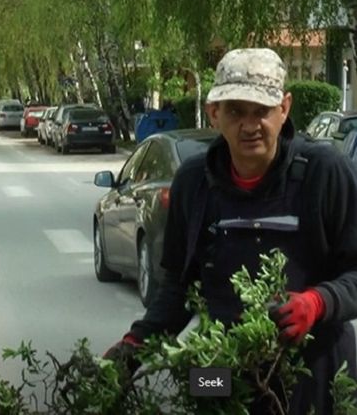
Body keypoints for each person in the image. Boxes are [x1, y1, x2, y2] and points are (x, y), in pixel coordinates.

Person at [105, 48, 357, 413]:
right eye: (236, 111)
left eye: (262, 112)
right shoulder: (193, 182)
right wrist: (133, 347)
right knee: (201, 389)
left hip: (313, 377)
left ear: (284, 108)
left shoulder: (324, 172)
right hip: (220, 374)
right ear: (214, 113)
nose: (250, 125)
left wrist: (317, 302)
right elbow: (176, 287)